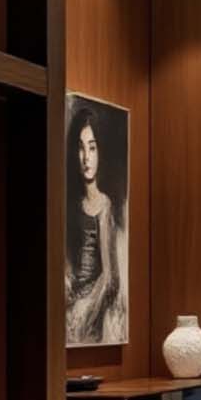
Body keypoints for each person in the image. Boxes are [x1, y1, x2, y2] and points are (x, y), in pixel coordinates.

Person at [66, 106, 125, 345]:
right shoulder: (73, 204)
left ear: (100, 151)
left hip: (90, 315)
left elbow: (111, 278)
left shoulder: (105, 205)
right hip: (70, 308)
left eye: (92, 148)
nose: (86, 158)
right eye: (81, 148)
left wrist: (85, 308)